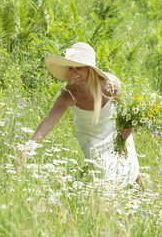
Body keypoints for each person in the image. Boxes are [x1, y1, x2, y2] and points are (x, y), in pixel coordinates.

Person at [32, 42, 142, 189]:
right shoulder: (69, 94)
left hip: (115, 132)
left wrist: (127, 128)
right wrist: (31, 143)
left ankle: (144, 202)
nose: (73, 72)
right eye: (70, 68)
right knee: (104, 176)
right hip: (90, 138)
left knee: (130, 167)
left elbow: (127, 111)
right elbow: (50, 120)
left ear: (90, 69)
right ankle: (104, 208)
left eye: (79, 67)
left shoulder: (110, 86)